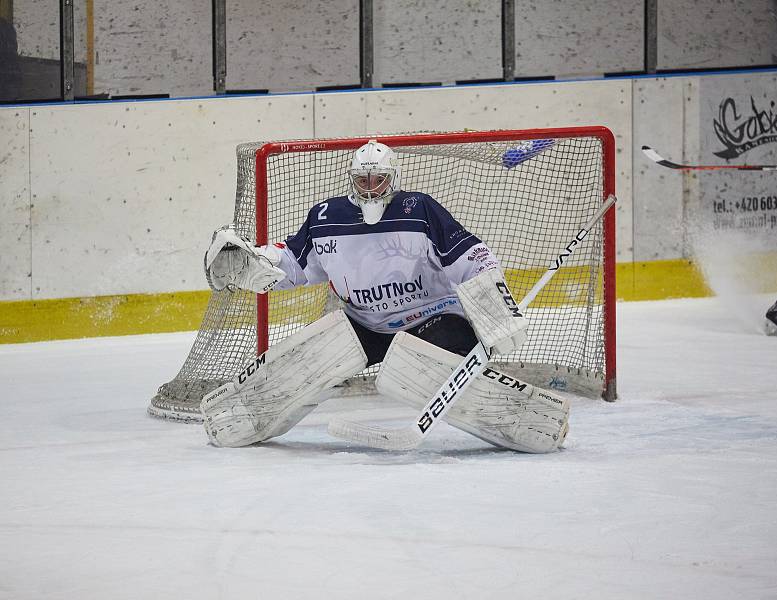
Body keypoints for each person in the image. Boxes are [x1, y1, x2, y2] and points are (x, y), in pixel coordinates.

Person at [199, 140, 569, 453]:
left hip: (435, 318)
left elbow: (473, 258)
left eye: (379, 179)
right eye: (363, 179)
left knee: (413, 368)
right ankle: (247, 411)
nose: (371, 187)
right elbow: (295, 262)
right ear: (351, 180)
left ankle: (524, 415)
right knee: (315, 354)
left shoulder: (419, 210)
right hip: (366, 323)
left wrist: (496, 309)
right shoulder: (326, 217)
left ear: (393, 179)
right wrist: (256, 263)